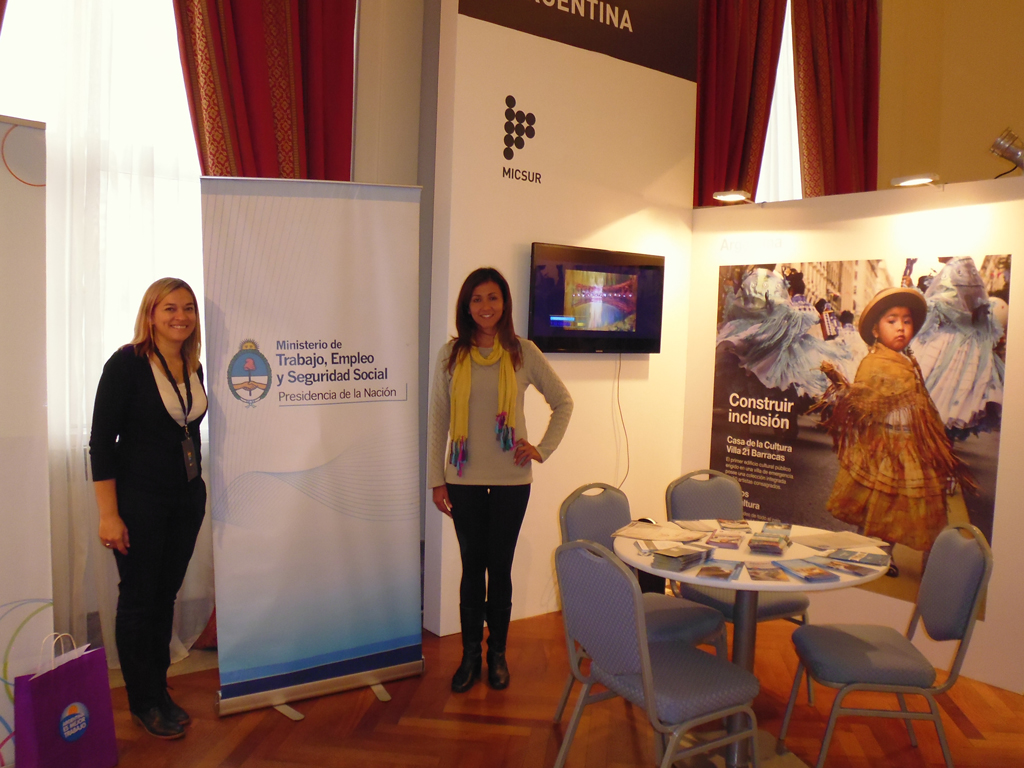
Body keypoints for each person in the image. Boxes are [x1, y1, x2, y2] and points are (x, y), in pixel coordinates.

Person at [427, 267, 573, 693]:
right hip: (463, 478)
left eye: (492, 297)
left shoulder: (522, 352)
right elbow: (438, 420)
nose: (485, 306)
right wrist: (436, 479)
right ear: (466, 306)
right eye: (477, 299)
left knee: (500, 567)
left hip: (512, 480)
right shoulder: (451, 355)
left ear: (504, 303)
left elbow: (563, 402)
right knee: (472, 567)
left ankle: (498, 656)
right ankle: (470, 655)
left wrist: (541, 448)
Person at [89, 278, 208, 739]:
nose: (181, 316)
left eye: (188, 308)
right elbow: (102, 444)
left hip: (186, 499)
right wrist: (109, 515)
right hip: (139, 502)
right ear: (151, 314)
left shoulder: (192, 364)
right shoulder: (126, 364)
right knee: (139, 600)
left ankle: (159, 689)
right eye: (170, 308)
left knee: (165, 597)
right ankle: (142, 702)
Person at [817, 287, 972, 565]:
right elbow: (863, 400)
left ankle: (889, 560)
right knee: (877, 507)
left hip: (912, 449)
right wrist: (848, 392)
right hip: (884, 450)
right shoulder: (873, 362)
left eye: (907, 321)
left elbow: (921, 406)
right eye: (892, 320)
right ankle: (869, 559)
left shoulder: (909, 362)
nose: (901, 327)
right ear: (876, 330)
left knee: (898, 509)